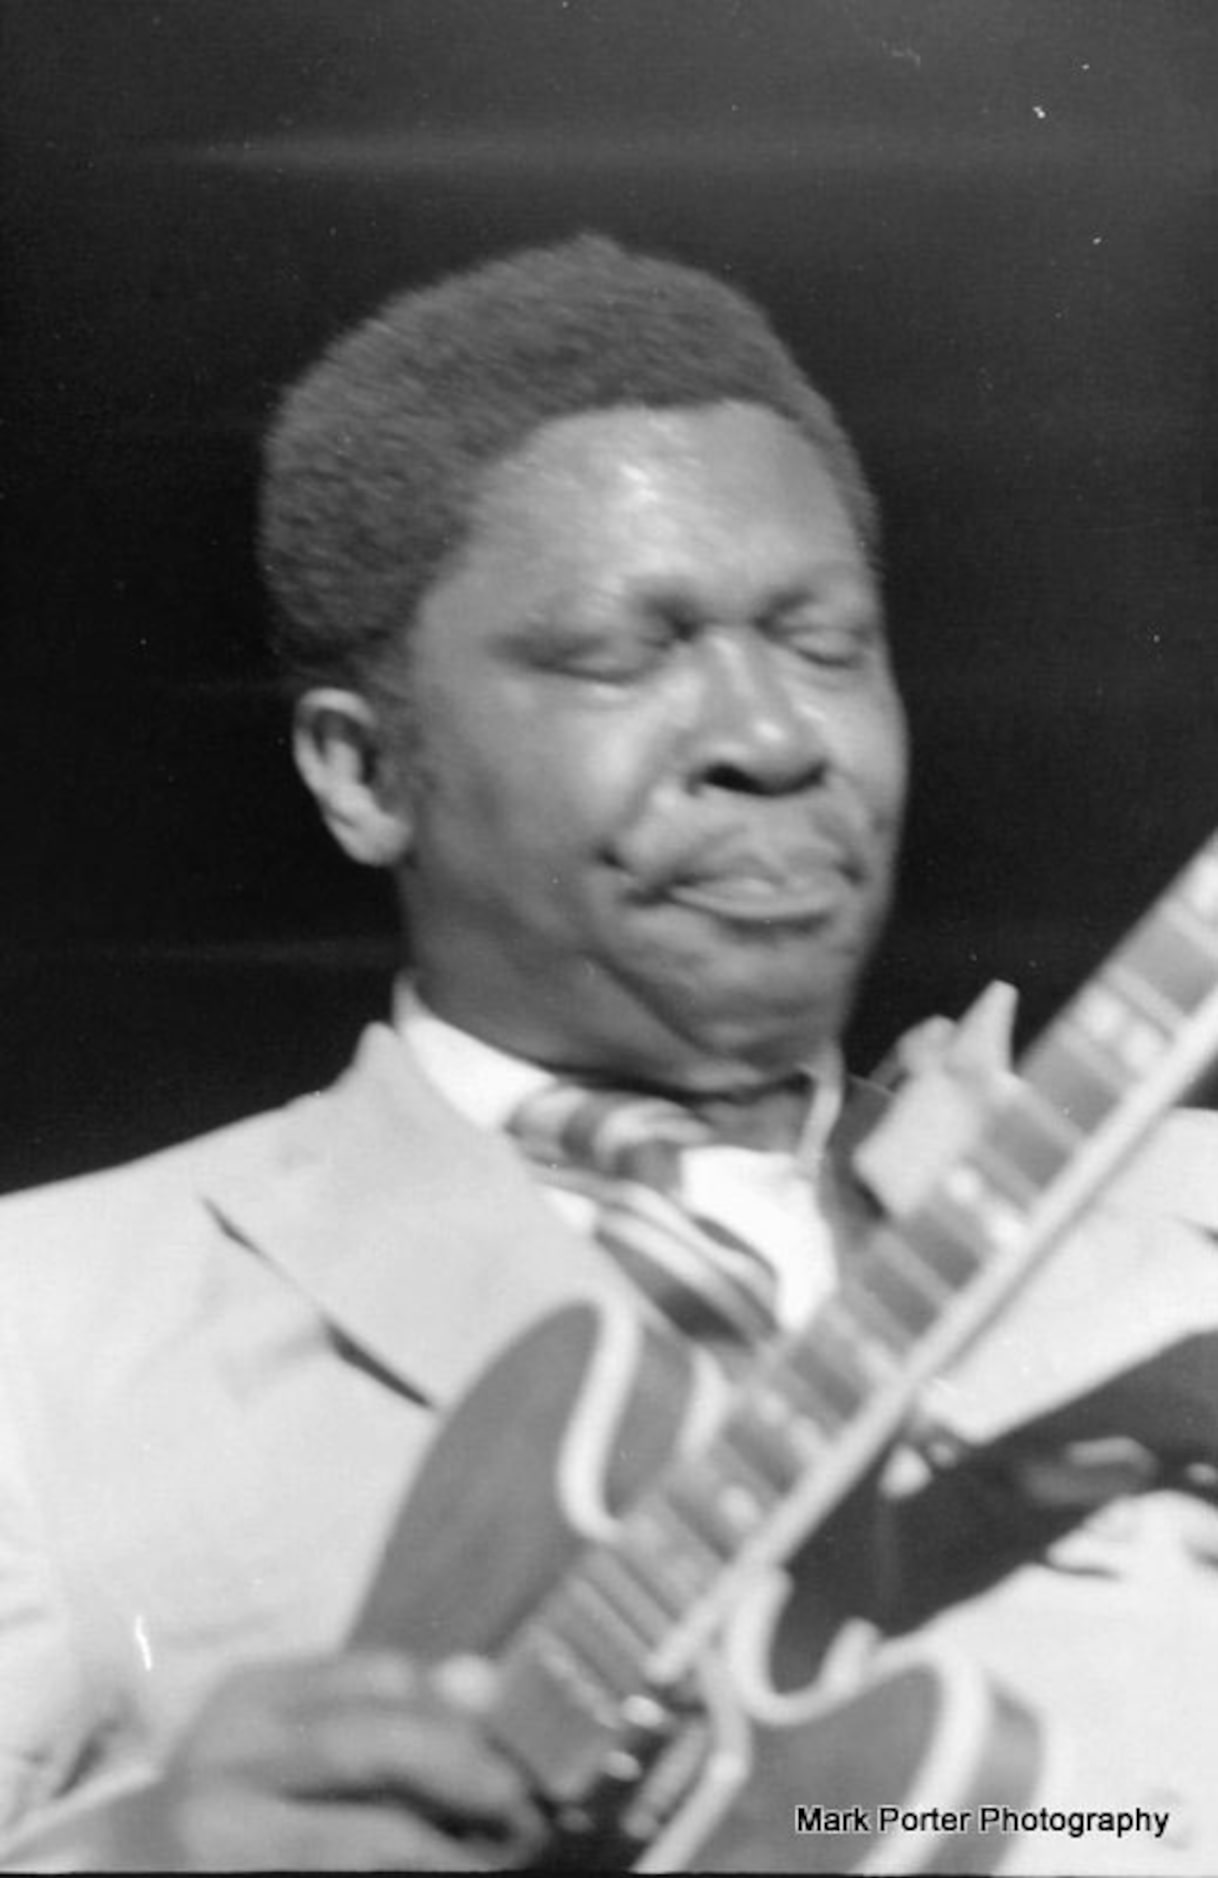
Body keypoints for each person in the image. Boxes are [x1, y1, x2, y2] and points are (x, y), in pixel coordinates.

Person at [1, 233, 1217, 1873]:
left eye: (824, 640)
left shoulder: (1170, 1243)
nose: (772, 739)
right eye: (618, 654)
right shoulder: (49, 1336)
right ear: (364, 772)